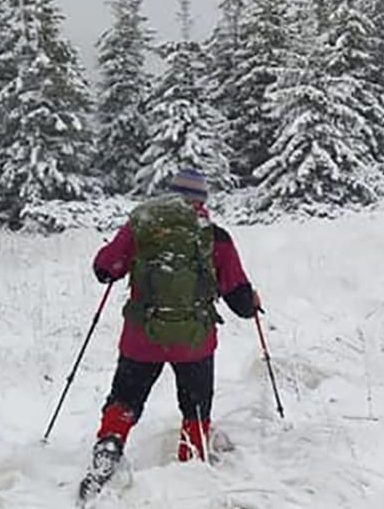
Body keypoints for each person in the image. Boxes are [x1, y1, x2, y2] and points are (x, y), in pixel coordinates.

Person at [79, 168, 261, 501]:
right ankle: (190, 467)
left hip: (141, 338)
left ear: (170, 196)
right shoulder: (215, 236)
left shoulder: (142, 227)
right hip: (194, 343)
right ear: (202, 200)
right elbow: (238, 298)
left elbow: (104, 269)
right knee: (195, 407)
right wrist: (252, 302)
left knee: (125, 398)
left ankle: (109, 447)